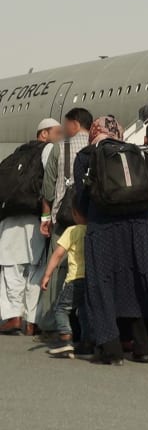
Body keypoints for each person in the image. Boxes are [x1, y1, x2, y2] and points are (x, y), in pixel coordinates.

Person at [74, 116, 148, 365]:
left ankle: (110, 348)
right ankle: (142, 346)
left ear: (95, 131)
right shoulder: (135, 152)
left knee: (102, 284)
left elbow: (81, 200)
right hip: (138, 228)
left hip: (103, 228)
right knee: (135, 283)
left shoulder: (87, 155)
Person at [0, 118, 62, 335]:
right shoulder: (48, 151)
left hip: (10, 218)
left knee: (11, 269)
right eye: (56, 132)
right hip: (36, 217)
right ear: (43, 134)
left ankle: (12, 317)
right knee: (36, 270)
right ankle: (31, 321)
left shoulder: (16, 154)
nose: (60, 136)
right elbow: (50, 183)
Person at [37, 108, 92, 337]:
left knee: (59, 268)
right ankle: (83, 324)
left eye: (66, 124)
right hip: (91, 220)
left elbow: (48, 188)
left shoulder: (60, 148)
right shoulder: (97, 148)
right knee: (86, 270)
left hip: (64, 219)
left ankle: (52, 323)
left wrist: (45, 218)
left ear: (75, 124)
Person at [40, 217, 89, 357]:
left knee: (61, 309)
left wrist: (47, 275)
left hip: (75, 279)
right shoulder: (93, 230)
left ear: (75, 213)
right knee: (84, 312)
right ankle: (87, 342)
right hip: (91, 279)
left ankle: (65, 339)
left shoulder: (72, 230)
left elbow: (58, 254)